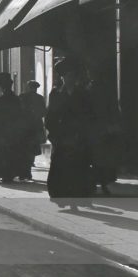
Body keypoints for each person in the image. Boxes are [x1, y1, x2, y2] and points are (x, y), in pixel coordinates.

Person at [45, 57, 95, 204]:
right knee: (60, 166)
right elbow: (50, 116)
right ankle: (61, 196)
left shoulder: (83, 94)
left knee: (79, 166)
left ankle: (80, 195)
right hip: (61, 136)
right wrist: (53, 134)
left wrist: (85, 132)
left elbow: (89, 114)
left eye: (72, 76)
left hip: (78, 136)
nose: (69, 79)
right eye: (66, 76)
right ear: (62, 77)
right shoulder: (56, 94)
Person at [86, 71, 122, 195]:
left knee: (99, 158)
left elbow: (113, 107)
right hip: (100, 129)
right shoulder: (97, 88)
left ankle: (101, 183)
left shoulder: (90, 89)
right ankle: (102, 183)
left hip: (99, 129)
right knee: (100, 158)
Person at [19, 80, 47, 180]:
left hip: (24, 126)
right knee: (33, 148)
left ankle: (24, 171)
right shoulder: (40, 98)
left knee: (24, 148)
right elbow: (43, 112)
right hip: (35, 126)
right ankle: (29, 166)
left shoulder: (22, 97)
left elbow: (19, 111)